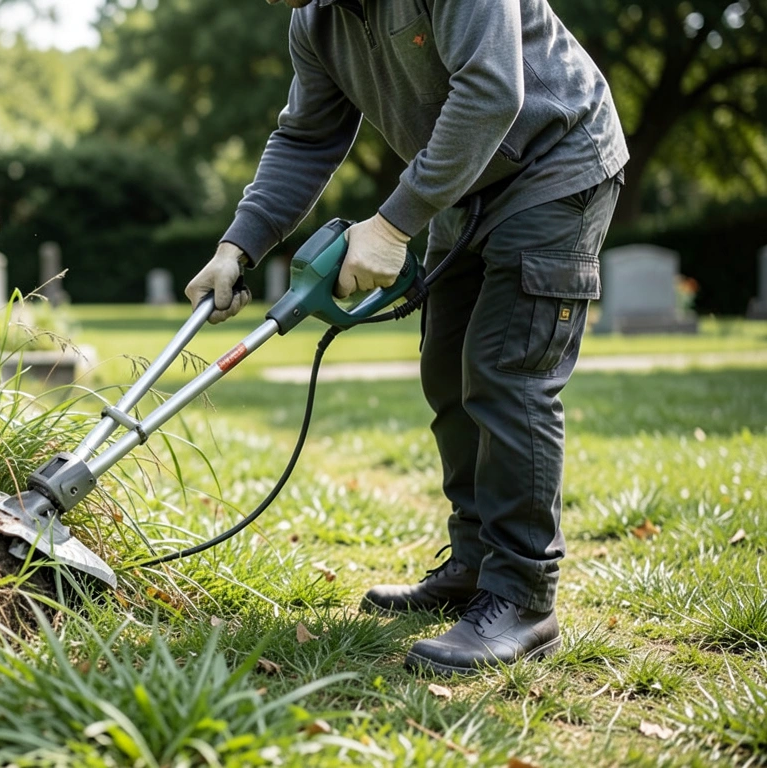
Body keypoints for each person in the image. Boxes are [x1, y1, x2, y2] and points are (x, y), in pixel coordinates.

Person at [186, 0, 627, 676]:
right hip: (464, 184)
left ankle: (523, 595)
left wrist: (392, 226)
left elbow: (491, 92)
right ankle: (476, 564)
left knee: (507, 374)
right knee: (446, 371)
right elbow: (306, 138)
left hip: (555, 162)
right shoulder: (316, 20)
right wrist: (236, 246)